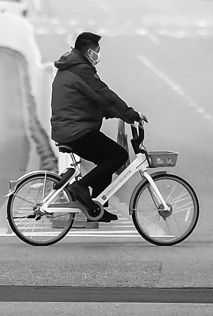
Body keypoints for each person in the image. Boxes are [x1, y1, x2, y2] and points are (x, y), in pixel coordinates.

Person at [50, 31, 143, 222]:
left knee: (106, 158)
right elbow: (104, 94)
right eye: (97, 51)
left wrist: (116, 114)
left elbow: (94, 101)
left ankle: (96, 207)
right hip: (75, 130)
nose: (98, 55)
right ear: (89, 51)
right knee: (118, 155)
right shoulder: (81, 70)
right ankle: (80, 187)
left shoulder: (72, 67)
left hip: (69, 128)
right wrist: (130, 115)